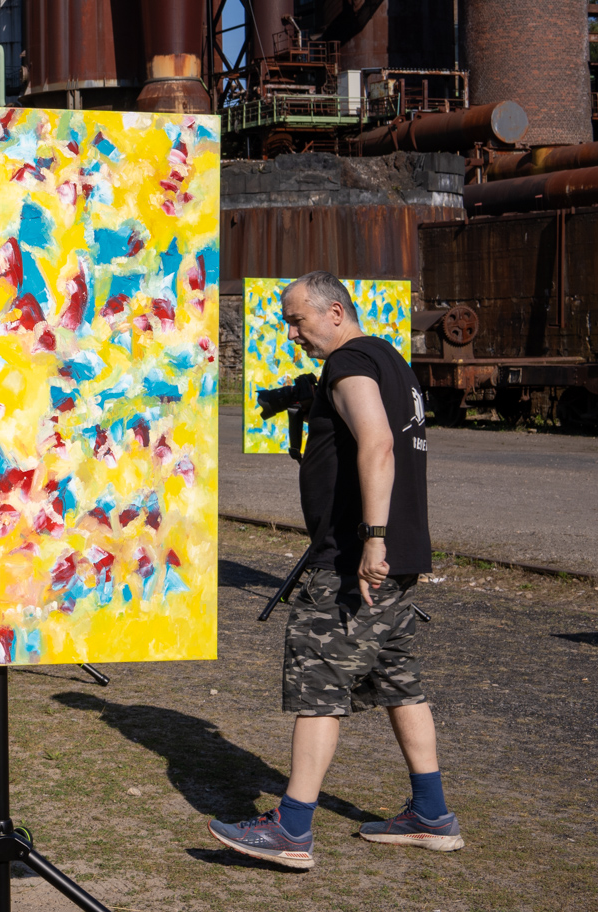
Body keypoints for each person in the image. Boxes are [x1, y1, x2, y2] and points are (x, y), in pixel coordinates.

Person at [207, 270, 462, 870]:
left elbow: (378, 444)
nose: (293, 333)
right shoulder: (390, 361)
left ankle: (291, 827)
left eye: (298, 320)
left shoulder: (348, 364)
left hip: (354, 560)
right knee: (398, 680)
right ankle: (430, 814)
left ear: (336, 313)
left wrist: (371, 538)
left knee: (318, 685)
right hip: (396, 559)